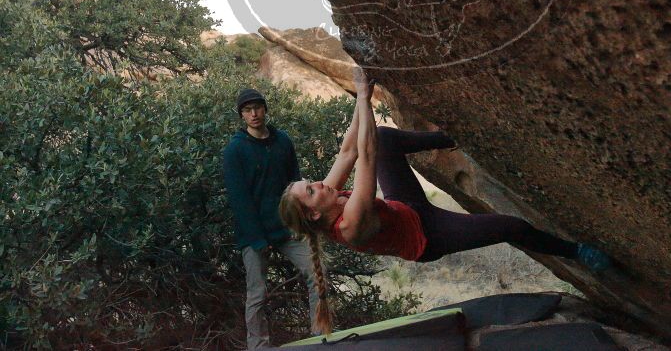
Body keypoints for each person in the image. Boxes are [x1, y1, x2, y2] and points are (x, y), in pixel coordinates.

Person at [279, 68, 611, 334]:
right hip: (428, 236)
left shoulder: (327, 198)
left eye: (311, 183)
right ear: (313, 215)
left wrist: (361, 87)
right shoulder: (350, 224)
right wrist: (364, 97)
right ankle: (578, 252)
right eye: (311, 190)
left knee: (388, 138)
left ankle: (457, 138)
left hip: (404, 207)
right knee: (511, 227)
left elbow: (349, 150)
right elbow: (365, 155)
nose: (320, 184)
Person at [222, 88, 322, 349]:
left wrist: (303, 221)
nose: (253, 113)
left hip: (287, 227)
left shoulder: (283, 141)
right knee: (257, 293)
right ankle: (259, 347)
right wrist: (256, 238)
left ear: (265, 109)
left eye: (257, 107)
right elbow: (239, 199)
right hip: (254, 233)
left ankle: (322, 337)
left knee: (318, 274)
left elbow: (295, 184)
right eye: (247, 110)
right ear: (241, 115)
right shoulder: (235, 150)